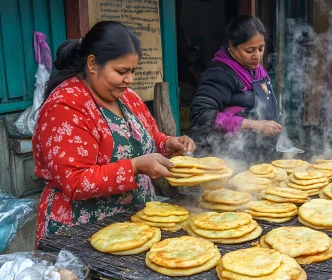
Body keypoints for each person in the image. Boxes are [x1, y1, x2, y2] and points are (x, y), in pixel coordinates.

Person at [33, 21, 196, 244]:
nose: (129, 80)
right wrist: (135, 166)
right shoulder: (66, 106)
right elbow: (75, 181)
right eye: (121, 71)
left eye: (132, 71)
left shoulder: (127, 96)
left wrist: (168, 143)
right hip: (80, 229)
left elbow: (147, 138)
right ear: (92, 64)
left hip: (136, 223)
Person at [189, 15, 281, 164]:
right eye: (250, 50)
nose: (257, 56)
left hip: (259, 156)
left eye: (261, 48)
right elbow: (201, 115)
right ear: (231, 46)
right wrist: (255, 125)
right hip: (231, 159)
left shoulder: (256, 71)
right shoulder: (220, 73)